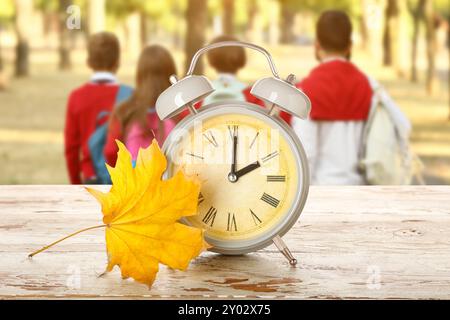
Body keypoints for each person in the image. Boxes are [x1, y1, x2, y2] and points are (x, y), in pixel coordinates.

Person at [292, 10, 373, 185]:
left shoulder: (308, 88)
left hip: (320, 190)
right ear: (350, 45)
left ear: (317, 45)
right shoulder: (369, 86)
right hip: (359, 189)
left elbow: (305, 152)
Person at [64, 32, 132, 184]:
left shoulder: (76, 97)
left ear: (88, 62)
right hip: (123, 178)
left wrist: (75, 183)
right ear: (118, 62)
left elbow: (71, 149)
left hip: (91, 176)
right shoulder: (130, 96)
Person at [104, 45, 176, 167]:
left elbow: (110, 151)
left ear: (139, 76)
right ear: (171, 75)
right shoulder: (181, 112)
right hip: (173, 182)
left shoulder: (124, 111)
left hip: (135, 183)